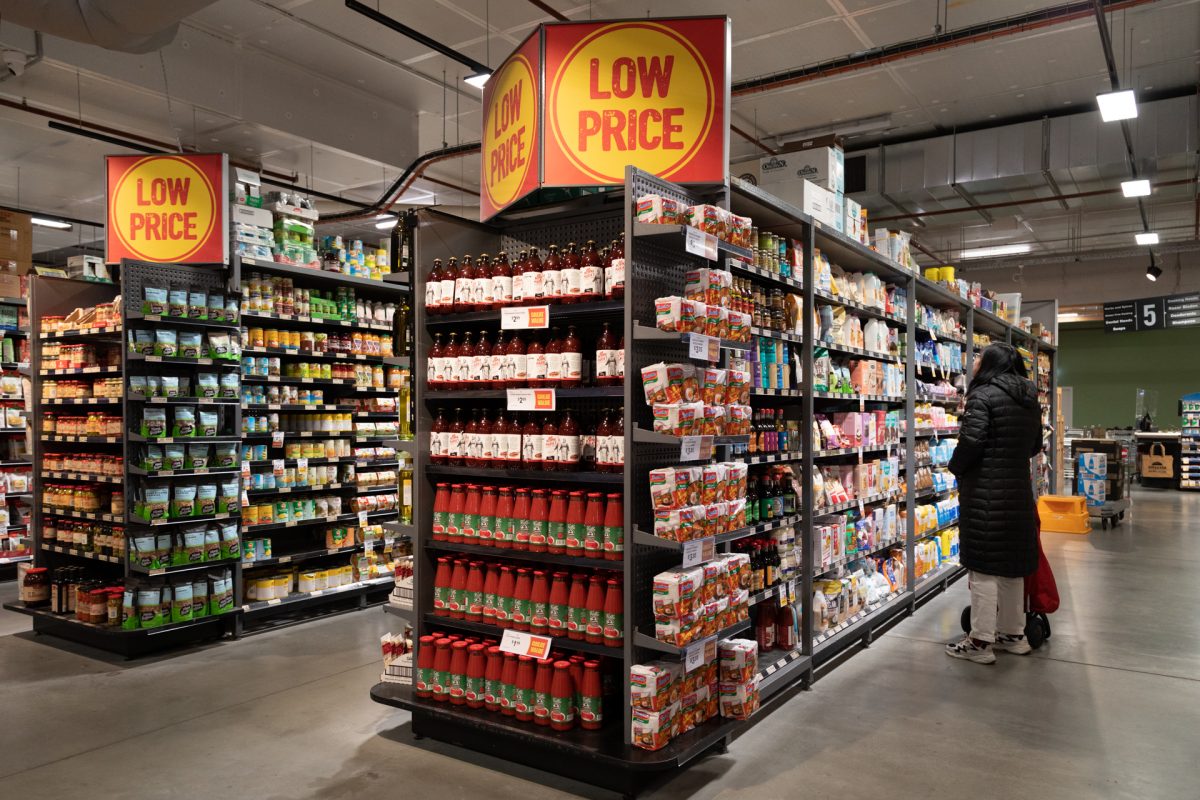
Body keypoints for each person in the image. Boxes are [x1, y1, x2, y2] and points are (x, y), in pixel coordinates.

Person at [945, 343, 1043, 664]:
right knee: (1013, 568)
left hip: (986, 494)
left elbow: (972, 440)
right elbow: (1035, 445)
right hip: (1017, 492)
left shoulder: (983, 395)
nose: (974, 361)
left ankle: (980, 642)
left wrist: (956, 467)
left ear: (991, 364)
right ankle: (1014, 635)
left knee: (984, 568)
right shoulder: (1029, 399)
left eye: (979, 357)